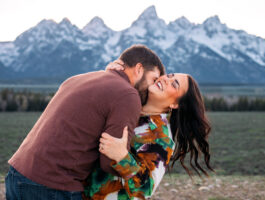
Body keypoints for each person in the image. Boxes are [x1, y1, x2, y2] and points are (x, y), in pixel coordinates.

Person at [5, 45, 165, 200]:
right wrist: (131, 164)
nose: (152, 87)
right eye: (154, 79)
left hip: (17, 174)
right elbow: (108, 162)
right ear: (138, 69)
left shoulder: (78, 78)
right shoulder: (128, 95)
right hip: (53, 186)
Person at [82, 62, 214, 200]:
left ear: (175, 104)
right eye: (169, 75)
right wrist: (111, 76)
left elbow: (145, 189)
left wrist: (121, 156)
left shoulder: (161, 139)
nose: (165, 79)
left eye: (174, 84)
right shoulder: (130, 105)